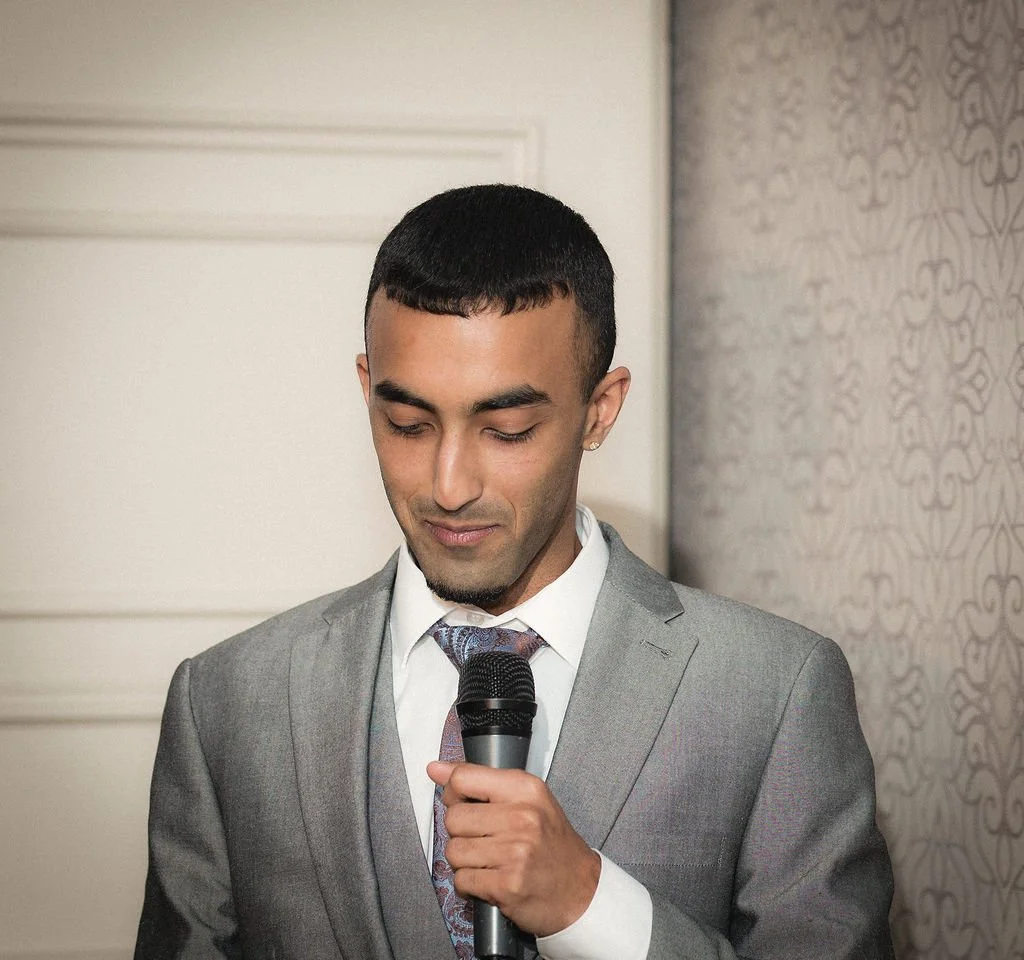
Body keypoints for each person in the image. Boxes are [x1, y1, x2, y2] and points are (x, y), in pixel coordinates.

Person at [135, 184, 894, 960]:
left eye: (507, 430)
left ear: (600, 410)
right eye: (407, 424)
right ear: (367, 390)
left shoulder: (775, 692)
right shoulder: (225, 702)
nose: (449, 486)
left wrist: (591, 905)